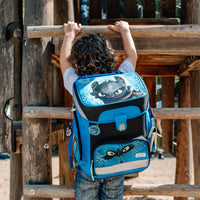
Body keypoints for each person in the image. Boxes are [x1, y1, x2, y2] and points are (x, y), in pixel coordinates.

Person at [60, 20, 137, 200]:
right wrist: (125, 31)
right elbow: (132, 56)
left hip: (88, 165)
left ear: (77, 61)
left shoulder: (78, 85)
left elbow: (64, 61)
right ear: (108, 55)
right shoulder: (123, 78)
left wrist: (69, 34)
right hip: (116, 163)